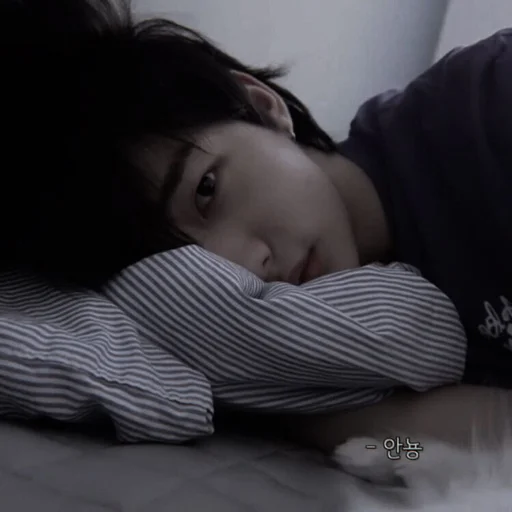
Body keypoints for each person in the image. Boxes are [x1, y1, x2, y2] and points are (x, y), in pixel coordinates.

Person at [2, 0, 512, 450]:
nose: (245, 265)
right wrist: (300, 412)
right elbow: (427, 453)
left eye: (206, 191)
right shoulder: (326, 360)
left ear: (263, 108)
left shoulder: (484, 105)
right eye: (185, 267)